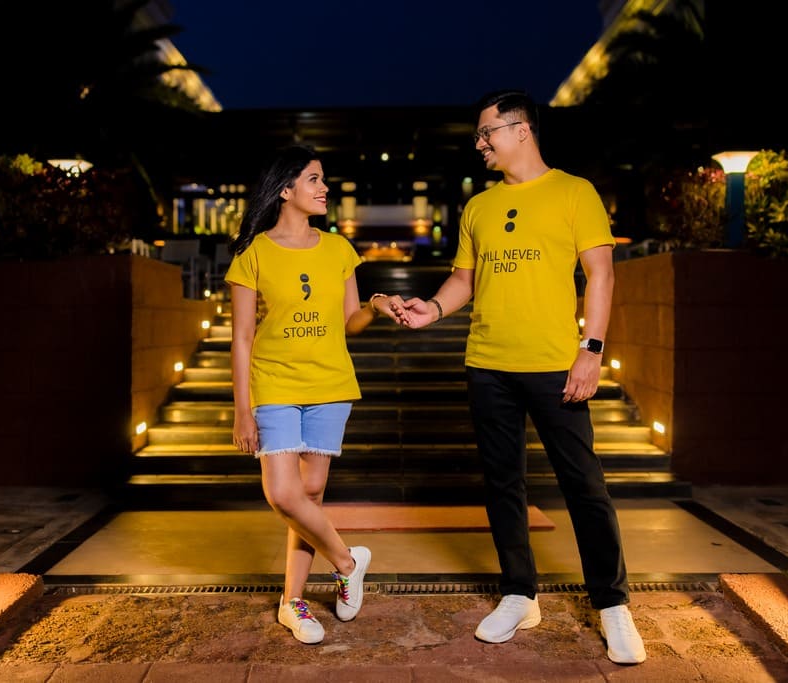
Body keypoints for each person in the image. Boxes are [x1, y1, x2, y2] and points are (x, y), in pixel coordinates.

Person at [391, 90, 646, 664]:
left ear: (521, 129)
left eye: (488, 133)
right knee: (503, 484)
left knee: (584, 485)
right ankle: (519, 594)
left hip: (556, 364)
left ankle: (612, 603)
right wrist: (433, 308)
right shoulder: (479, 207)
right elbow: (465, 280)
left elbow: (600, 275)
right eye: (478, 135)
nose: (480, 143)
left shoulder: (574, 192)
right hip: (487, 364)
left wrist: (591, 350)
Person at [224, 144, 391, 644]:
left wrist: (375, 306)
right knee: (283, 493)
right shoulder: (253, 254)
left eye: (323, 179)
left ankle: (291, 602)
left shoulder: (339, 249)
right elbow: (242, 337)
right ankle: (348, 561)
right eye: (314, 179)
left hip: (330, 384)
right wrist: (242, 410)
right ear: (285, 189)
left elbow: (350, 320)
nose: (324, 188)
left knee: (310, 495)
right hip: (274, 382)